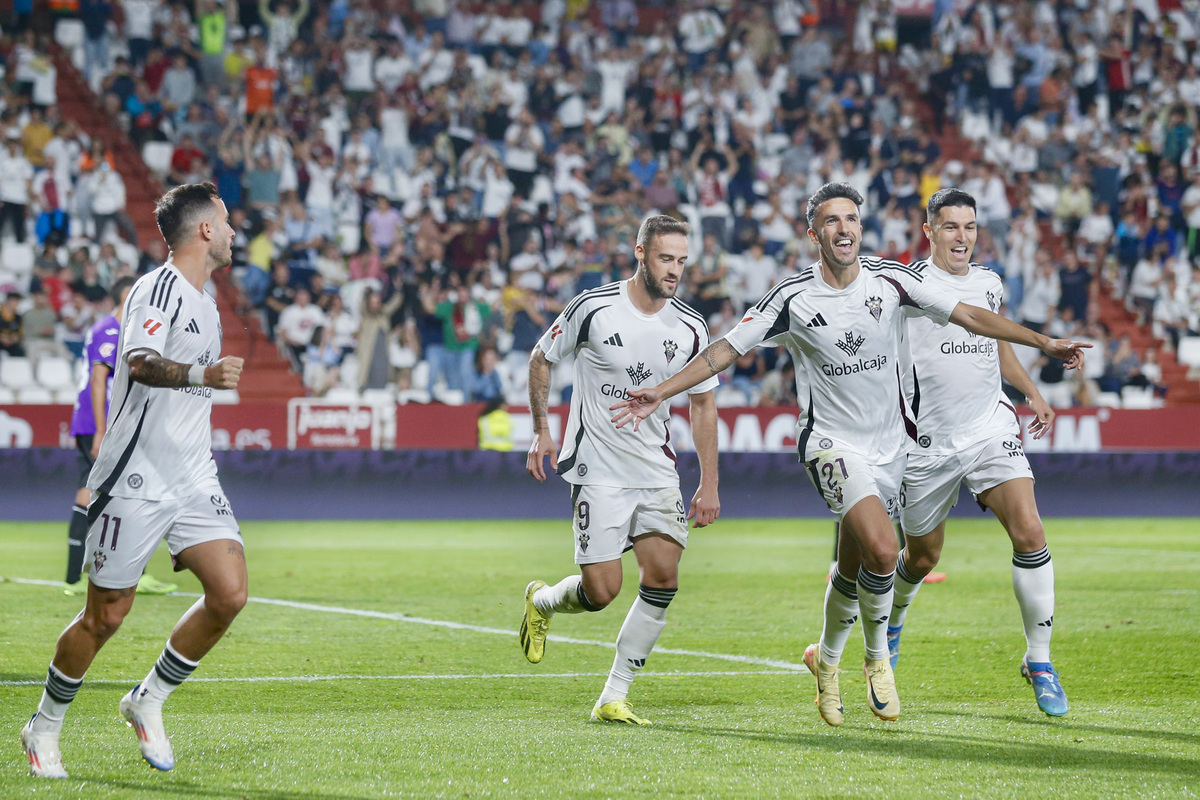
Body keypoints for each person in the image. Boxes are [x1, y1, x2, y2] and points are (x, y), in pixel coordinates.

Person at [611, 184, 1088, 727]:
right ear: (814, 234)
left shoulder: (892, 281)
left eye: (852, 219)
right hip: (833, 446)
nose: (845, 229)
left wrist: (1042, 342)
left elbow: (971, 317)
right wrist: (664, 389)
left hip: (894, 449)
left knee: (856, 566)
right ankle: (878, 657)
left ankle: (829, 663)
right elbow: (725, 349)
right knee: (886, 552)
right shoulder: (793, 297)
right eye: (832, 221)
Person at [21, 182, 246, 778]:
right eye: (224, 222)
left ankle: (147, 698)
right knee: (105, 617)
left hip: (194, 474)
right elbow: (139, 363)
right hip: (135, 477)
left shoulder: (208, 300)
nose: (231, 232)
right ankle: (43, 726)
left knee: (229, 594)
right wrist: (205, 371)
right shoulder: (158, 288)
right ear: (203, 230)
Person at [521, 215, 721, 725]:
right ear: (639, 253)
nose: (675, 270)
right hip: (598, 468)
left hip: (656, 470)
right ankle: (542, 602)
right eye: (665, 259)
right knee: (602, 591)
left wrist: (709, 483)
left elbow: (702, 405)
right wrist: (542, 429)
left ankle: (614, 695)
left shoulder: (691, 326)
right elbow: (541, 358)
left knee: (663, 576)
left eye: (681, 261)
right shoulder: (594, 308)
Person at [884, 188, 1068, 716]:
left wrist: (1030, 390)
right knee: (922, 557)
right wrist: (1047, 342)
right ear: (929, 231)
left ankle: (1039, 661)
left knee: (1030, 531)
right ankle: (894, 623)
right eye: (950, 226)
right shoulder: (910, 285)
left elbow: (994, 340)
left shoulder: (990, 282)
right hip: (928, 444)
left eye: (968, 227)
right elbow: (970, 320)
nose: (961, 236)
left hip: (989, 427)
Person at [64, 277, 178, 597]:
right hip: (96, 422)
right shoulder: (110, 330)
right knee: (110, 492)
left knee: (106, 491)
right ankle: (92, 575)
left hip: (99, 422)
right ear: (121, 298)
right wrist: (102, 429)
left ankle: (78, 577)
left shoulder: (117, 329)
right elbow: (99, 380)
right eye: (133, 297)